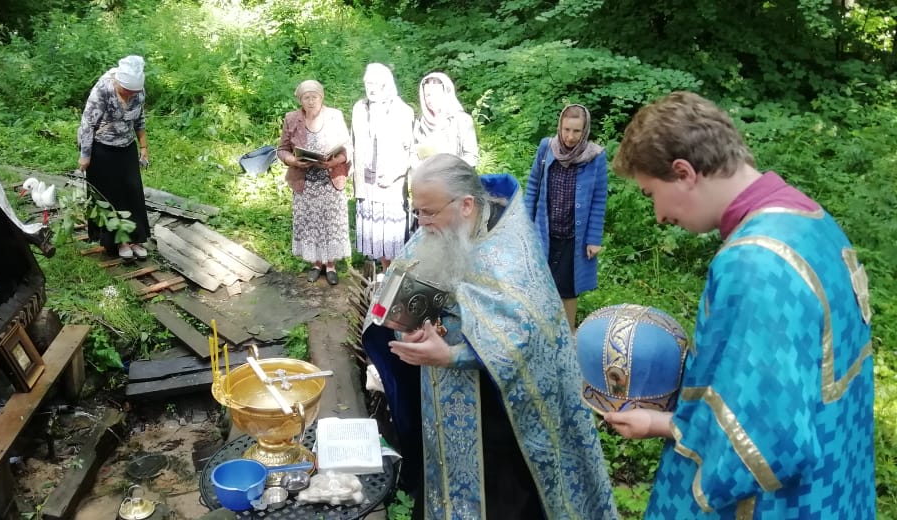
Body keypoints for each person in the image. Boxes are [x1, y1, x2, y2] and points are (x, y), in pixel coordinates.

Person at [605, 91, 875, 519]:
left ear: (684, 172)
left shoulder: (754, 264)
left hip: (779, 506)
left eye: (651, 193)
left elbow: (764, 440)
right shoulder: (810, 222)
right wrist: (660, 422)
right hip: (836, 482)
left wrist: (672, 430)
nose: (657, 215)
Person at [362, 154, 617, 519]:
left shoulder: (509, 251)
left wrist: (452, 356)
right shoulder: (437, 227)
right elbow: (401, 289)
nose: (421, 223)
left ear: (466, 205)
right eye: (416, 211)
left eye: (428, 213)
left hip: (499, 413)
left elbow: (528, 337)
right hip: (439, 404)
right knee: (440, 488)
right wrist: (406, 325)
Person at [523, 104, 608, 331]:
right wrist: (525, 224)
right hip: (545, 232)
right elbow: (533, 186)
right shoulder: (546, 148)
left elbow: (599, 198)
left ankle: (568, 335)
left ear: (585, 130)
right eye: (566, 130)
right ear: (560, 127)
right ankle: (542, 332)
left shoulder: (595, 157)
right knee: (541, 283)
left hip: (573, 236)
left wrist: (594, 239)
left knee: (568, 290)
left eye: (576, 131)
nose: (570, 137)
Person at [276, 80, 352, 285]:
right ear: (300, 100)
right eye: (306, 98)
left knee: (331, 222)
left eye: (314, 97)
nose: (311, 101)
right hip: (305, 181)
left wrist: (334, 161)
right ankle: (316, 264)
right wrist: (292, 160)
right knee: (311, 223)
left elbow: (348, 148)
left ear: (322, 97)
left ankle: (331, 265)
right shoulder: (291, 119)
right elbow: (282, 149)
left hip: (330, 179)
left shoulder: (334, 116)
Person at [77, 55, 151, 259]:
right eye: (126, 90)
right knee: (110, 196)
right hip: (102, 149)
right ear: (118, 82)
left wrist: (143, 146)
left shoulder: (138, 92)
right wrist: (85, 155)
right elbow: (87, 124)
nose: (130, 95)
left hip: (126, 146)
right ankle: (119, 241)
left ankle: (135, 238)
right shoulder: (103, 90)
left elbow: (140, 118)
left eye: (134, 92)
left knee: (132, 192)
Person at [351, 63, 414, 271]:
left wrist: (395, 174)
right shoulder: (359, 108)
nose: (372, 88)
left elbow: (411, 151)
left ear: (387, 84)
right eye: (368, 83)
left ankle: (393, 278)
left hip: (390, 185)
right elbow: (353, 142)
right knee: (374, 237)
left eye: (377, 84)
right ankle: (382, 275)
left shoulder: (402, 111)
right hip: (367, 184)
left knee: (392, 239)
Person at [411, 72, 478, 168]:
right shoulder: (420, 122)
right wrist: (421, 168)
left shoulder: (462, 120)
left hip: (455, 174)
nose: (430, 99)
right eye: (427, 95)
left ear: (446, 94)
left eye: (435, 94)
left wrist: (447, 167)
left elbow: (472, 157)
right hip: (427, 174)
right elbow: (413, 154)